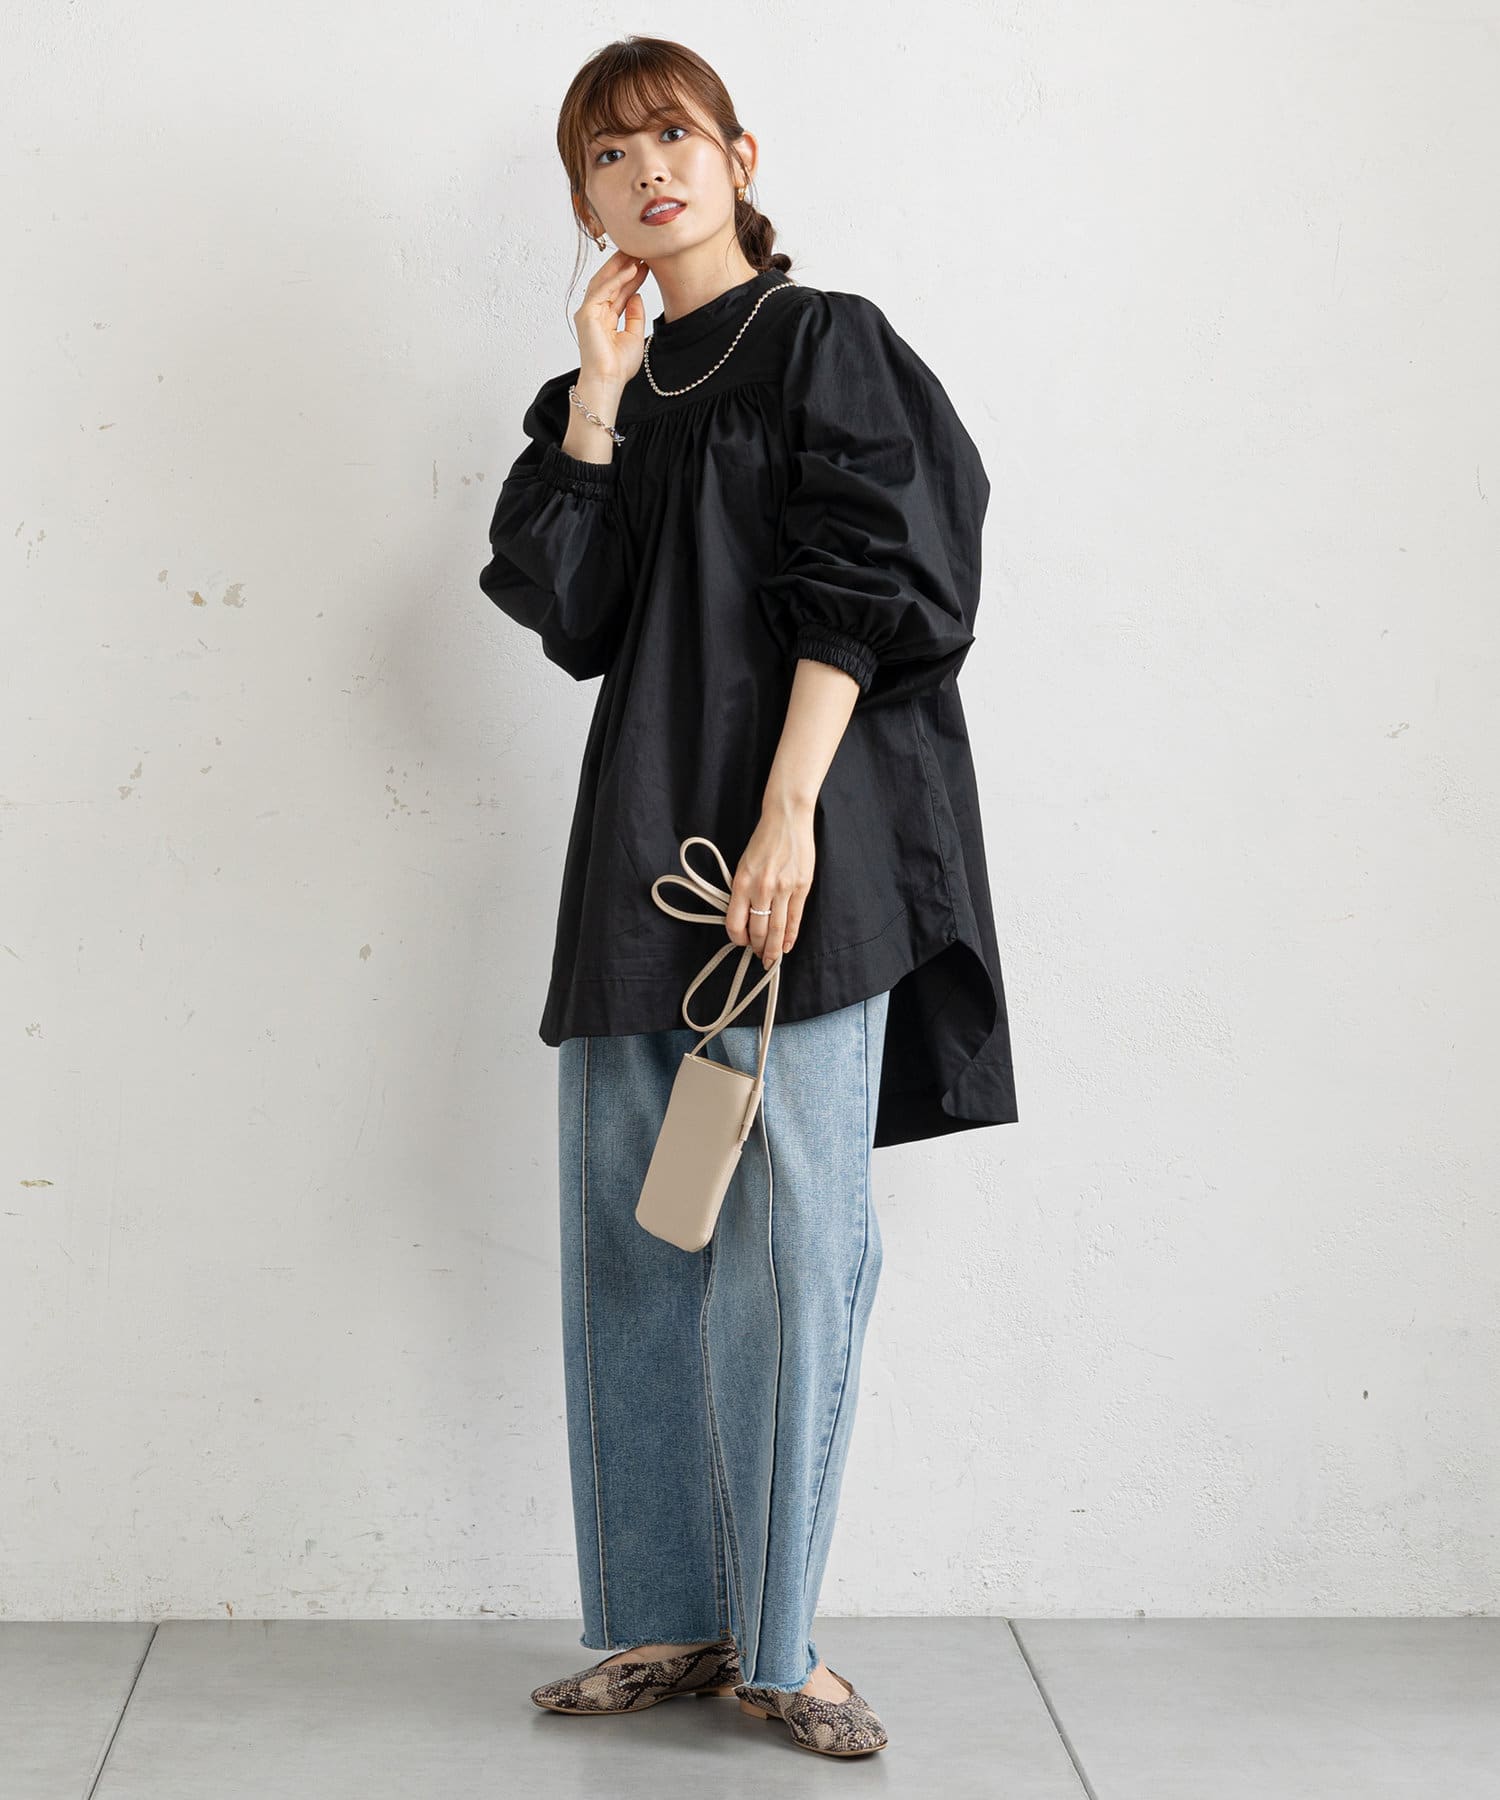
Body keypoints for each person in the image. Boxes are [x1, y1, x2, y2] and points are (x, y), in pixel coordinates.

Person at [480, 36, 1018, 1760]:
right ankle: (665, 1626)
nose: (648, 170)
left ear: (739, 154)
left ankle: (781, 1648)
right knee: (634, 1240)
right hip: (641, 854)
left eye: (673, 135)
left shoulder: (824, 342)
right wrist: (594, 399)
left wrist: (791, 814)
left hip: (802, 848)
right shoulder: (610, 392)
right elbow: (568, 614)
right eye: (609, 154)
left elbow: (879, 578)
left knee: (795, 1252)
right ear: (584, 202)